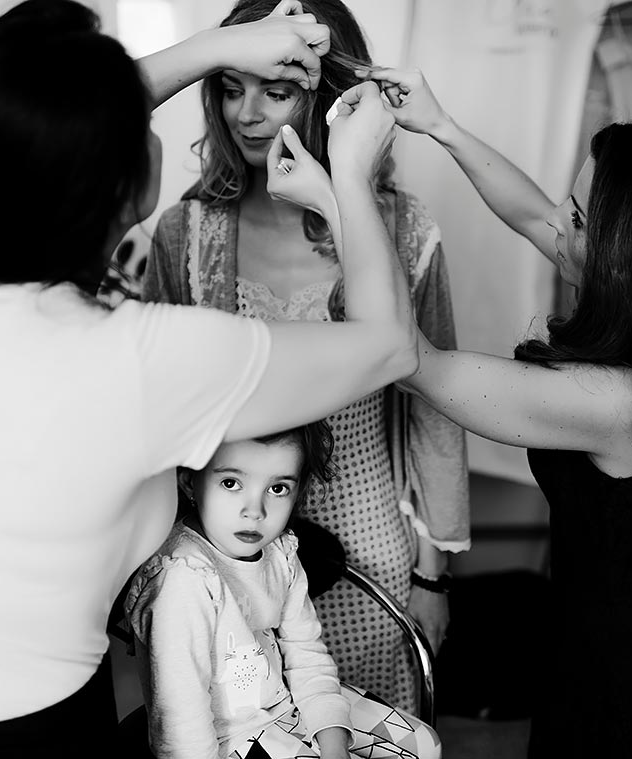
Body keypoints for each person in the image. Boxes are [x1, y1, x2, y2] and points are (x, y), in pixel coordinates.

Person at [0, 1, 418, 756]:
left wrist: (230, 44)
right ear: (128, 187)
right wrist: (349, 172)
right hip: (9, 741)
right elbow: (389, 347)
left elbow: (37, 123)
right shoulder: (138, 360)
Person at [362, 67, 632, 756]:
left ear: (627, 259)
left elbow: (407, 360)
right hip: (612, 628)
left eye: (581, 219)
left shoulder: (613, 401)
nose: (559, 223)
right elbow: (535, 214)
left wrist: (344, 184)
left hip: (629, 678)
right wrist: (441, 125)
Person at [124, 0, 469, 714]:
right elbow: (154, 424)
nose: (246, 114)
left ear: (330, 99)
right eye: (228, 86)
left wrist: (432, 577)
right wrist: (149, 574)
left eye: (274, 91)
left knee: (361, 727)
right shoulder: (185, 234)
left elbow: (435, 415)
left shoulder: (405, 233)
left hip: (369, 548)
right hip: (227, 563)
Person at [123, 421, 442, 759]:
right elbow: (180, 720)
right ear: (189, 481)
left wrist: (334, 743)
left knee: (425, 745)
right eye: (231, 483)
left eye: (277, 488)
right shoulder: (183, 577)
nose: (255, 511)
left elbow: (307, 655)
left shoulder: (281, 553)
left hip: (288, 700)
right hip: (228, 735)